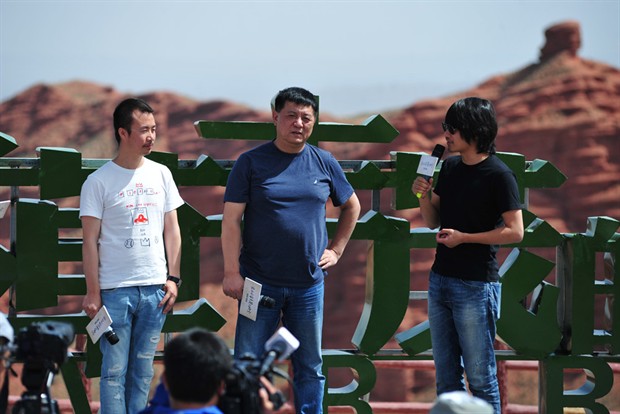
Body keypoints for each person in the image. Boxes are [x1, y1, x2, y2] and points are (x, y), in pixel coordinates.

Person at [221, 86, 361, 414]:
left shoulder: (324, 161)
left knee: (310, 366)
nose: (298, 123)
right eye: (291, 116)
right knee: (248, 365)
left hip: (308, 285)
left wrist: (337, 250)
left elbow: (352, 206)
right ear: (275, 117)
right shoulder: (250, 162)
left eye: (306, 118)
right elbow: (230, 220)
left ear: (313, 122)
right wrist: (230, 272)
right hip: (258, 284)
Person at [412, 97, 524, 413]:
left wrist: (465, 239)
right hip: (440, 280)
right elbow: (432, 220)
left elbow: (515, 231)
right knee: (446, 379)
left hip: (475, 286)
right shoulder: (449, 167)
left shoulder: (499, 175)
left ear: (474, 130)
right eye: (445, 127)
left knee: (481, 379)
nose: (446, 134)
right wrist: (421, 195)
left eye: (452, 128)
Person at [80, 98, 184, 414]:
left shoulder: (162, 174)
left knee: (143, 372)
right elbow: (89, 242)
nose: (151, 136)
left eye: (154, 129)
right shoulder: (98, 182)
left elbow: (173, 230)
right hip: (114, 291)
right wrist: (93, 292)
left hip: (155, 290)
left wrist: (173, 278)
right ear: (123, 132)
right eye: (144, 130)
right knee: (113, 373)